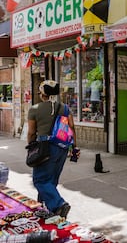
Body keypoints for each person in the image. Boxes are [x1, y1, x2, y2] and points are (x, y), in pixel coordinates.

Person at [27, 80, 77, 219]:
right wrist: (74, 146)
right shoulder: (65, 108)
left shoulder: (35, 109)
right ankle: (44, 208)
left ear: (42, 94)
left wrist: (31, 147)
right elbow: (71, 127)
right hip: (62, 147)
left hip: (45, 147)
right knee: (51, 180)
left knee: (40, 180)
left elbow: (31, 132)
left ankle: (59, 204)